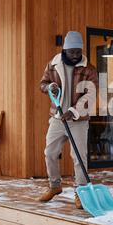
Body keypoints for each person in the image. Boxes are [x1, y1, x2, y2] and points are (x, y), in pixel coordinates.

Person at [38, 31, 99, 209]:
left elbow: (92, 93)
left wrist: (73, 111)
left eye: (78, 52)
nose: (75, 55)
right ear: (64, 50)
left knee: (78, 157)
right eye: (71, 51)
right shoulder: (53, 65)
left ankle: (80, 192)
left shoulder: (89, 69)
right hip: (57, 118)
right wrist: (49, 87)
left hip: (78, 120)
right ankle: (54, 186)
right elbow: (42, 84)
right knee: (50, 152)